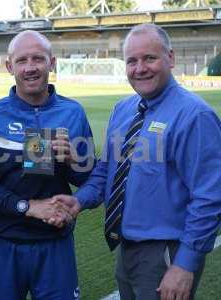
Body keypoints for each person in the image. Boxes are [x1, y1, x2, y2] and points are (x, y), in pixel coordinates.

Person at [54, 23, 221, 300]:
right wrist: (80, 199)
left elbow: (210, 196)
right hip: (127, 247)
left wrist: (184, 265)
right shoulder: (124, 109)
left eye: (149, 58)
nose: (140, 68)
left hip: (168, 252)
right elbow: (107, 171)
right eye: (132, 61)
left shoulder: (195, 116)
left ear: (171, 58)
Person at [0, 30, 96, 300]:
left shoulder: (73, 113)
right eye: (22, 60)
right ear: (9, 66)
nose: (30, 68)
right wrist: (27, 208)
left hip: (55, 243)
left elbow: (88, 178)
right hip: (4, 243)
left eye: (38, 59)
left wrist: (75, 159)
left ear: (51, 63)